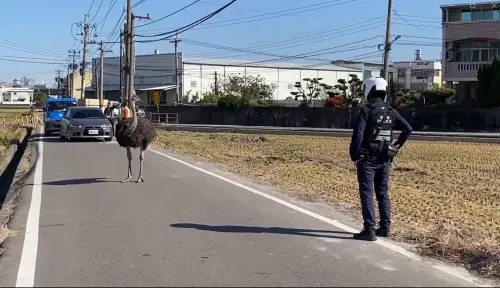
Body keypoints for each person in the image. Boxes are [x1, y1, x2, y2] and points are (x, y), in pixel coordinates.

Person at [349, 76, 413, 241]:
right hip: (385, 158)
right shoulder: (391, 111)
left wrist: (355, 154)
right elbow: (407, 129)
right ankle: (385, 228)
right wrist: (396, 146)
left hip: (368, 158)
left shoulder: (367, 110)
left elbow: (358, 134)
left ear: (368, 90)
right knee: (382, 193)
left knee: (367, 192)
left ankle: (369, 230)